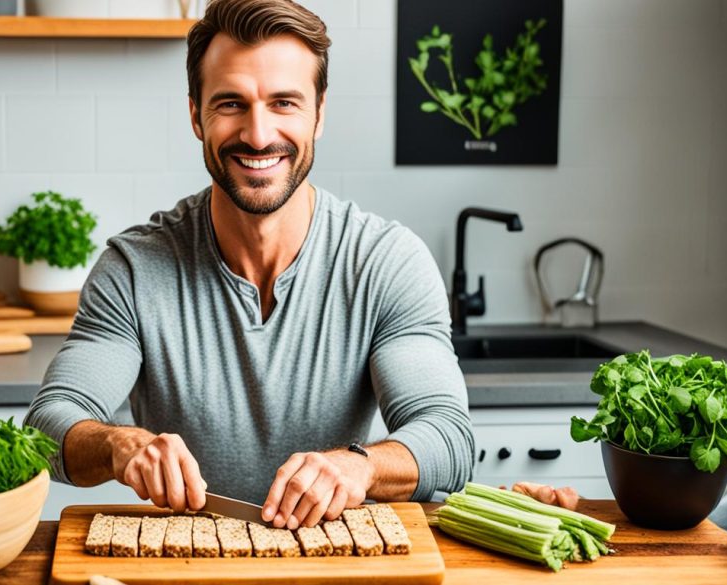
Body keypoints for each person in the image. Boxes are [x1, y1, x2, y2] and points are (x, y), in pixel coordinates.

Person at [24, 0, 473, 531]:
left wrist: (360, 467)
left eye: (284, 103)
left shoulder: (386, 262)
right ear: (196, 115)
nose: (258, 135)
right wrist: (119, 445)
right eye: (231, 103)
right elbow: (46, 429)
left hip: (334, 563)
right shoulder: (134, 269)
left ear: (319, 114)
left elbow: (448, 437)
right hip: (183, 562)